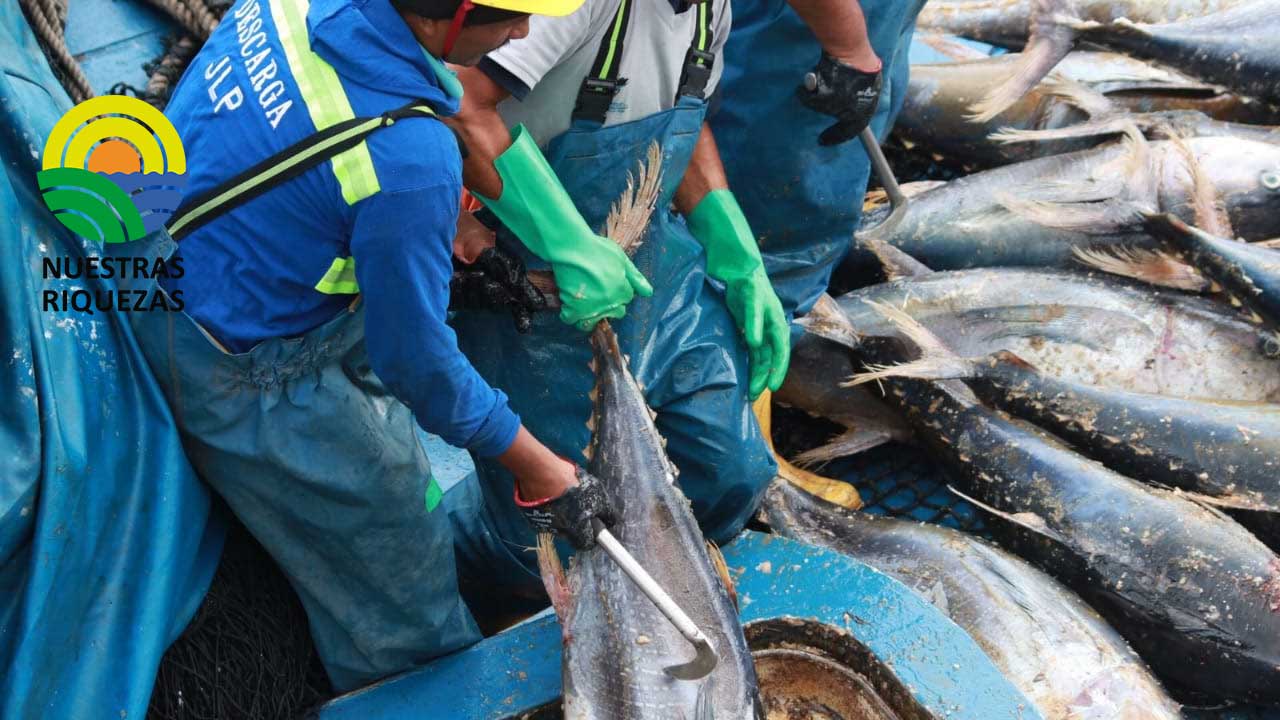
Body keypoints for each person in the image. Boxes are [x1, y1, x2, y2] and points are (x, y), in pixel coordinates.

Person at [121, 0, 638, 692]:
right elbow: (416, 365)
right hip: (231, 363)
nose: (522, 32)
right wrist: (541, 470)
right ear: (451, 14)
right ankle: (413, 682)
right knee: (400, 560)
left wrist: (444, 227)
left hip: (160, 247)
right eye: (510, 16)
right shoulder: (408, 158)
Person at [443, 0, 787, 598]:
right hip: (536, 284)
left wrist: (732, 243)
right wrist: (566, 241)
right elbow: (459, 102)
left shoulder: (712, 10)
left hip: (655, 268)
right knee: (554, 536)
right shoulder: (573, 7)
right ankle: (466, 542)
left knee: (729, 474)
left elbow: (682, 114)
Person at [708, 0, 926, 322]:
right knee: (762, 249)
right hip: (809, 32)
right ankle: (747, 318)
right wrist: (848, 48)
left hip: (871, 27)